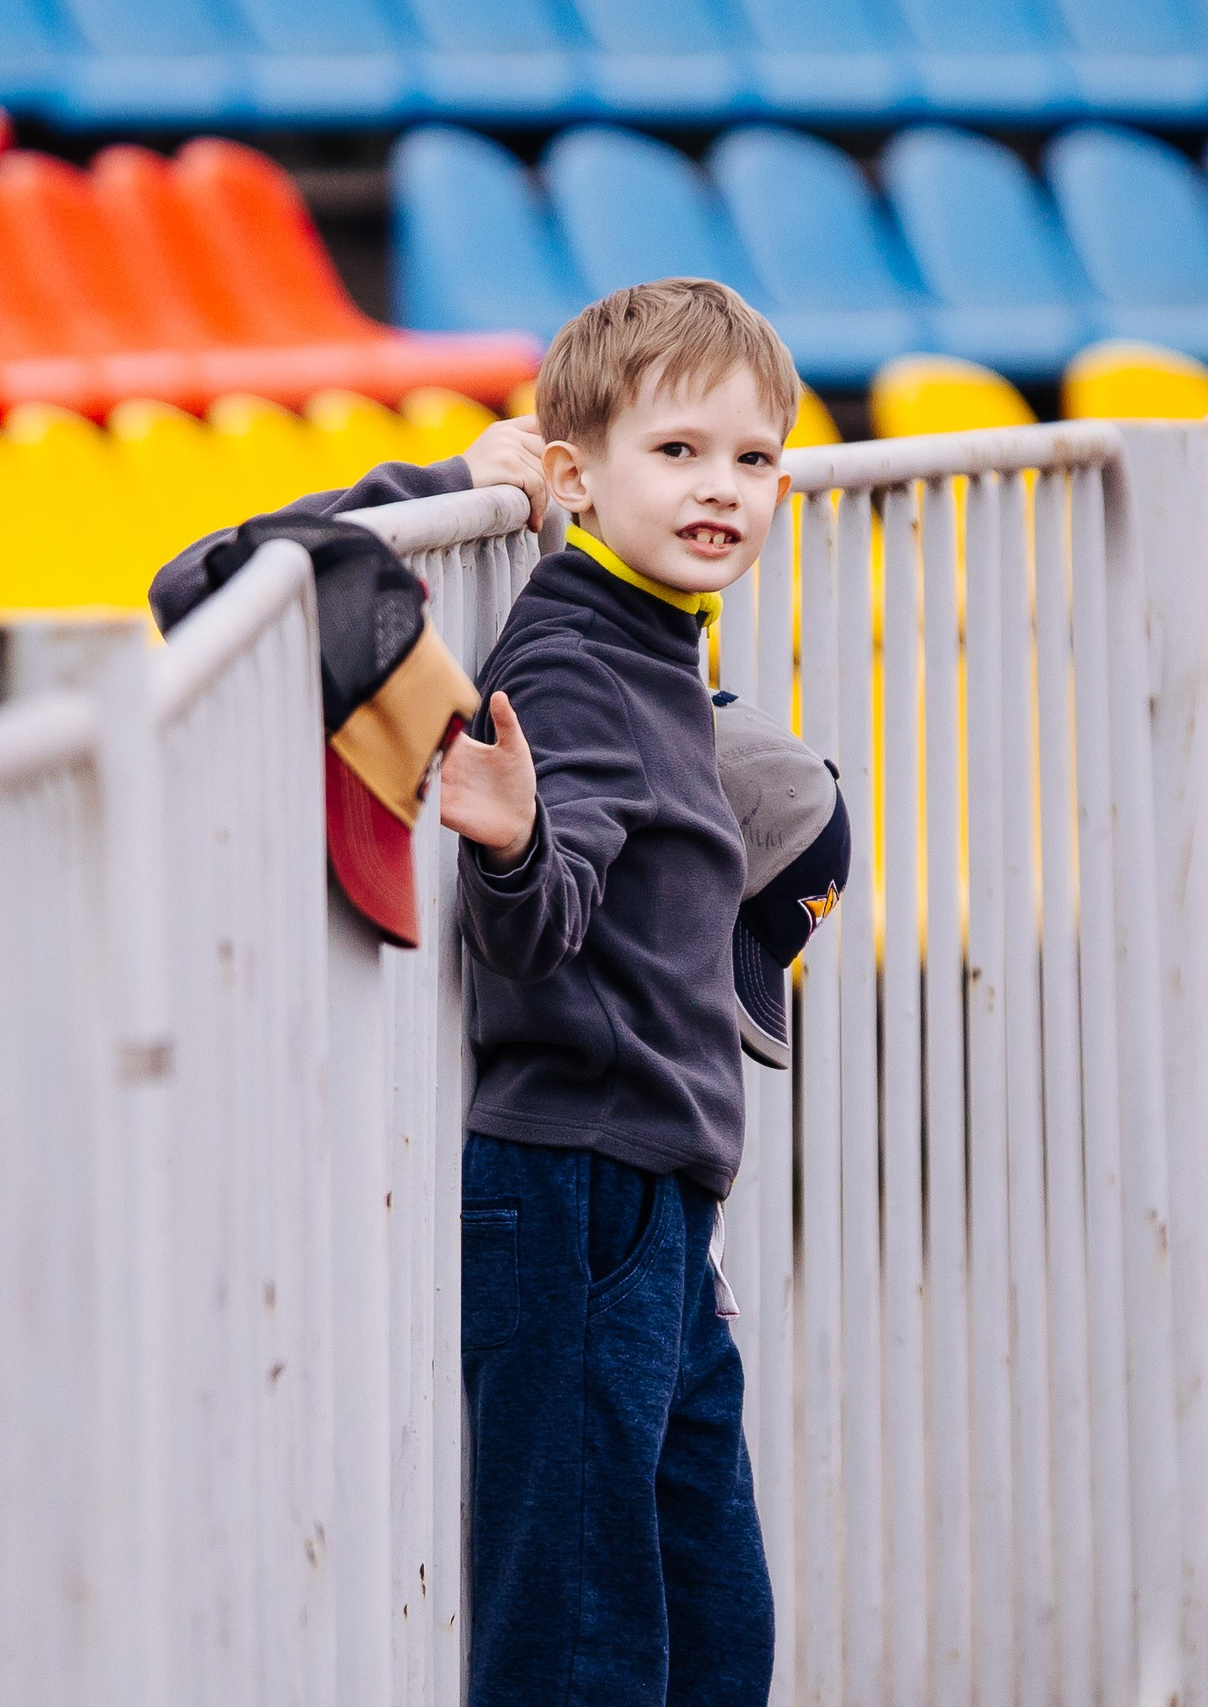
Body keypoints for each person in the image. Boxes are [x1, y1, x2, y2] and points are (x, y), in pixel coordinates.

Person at [432, 277, 804, 1707]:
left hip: (652, 1200)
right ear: (576, 475)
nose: (722, 490)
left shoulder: (653, 642)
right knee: (584, 1633)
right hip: (582, 1190)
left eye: (753, 458)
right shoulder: (582, 661)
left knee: (711, 1617)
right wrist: (521, 845)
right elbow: (538, 929)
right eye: (679, 452)